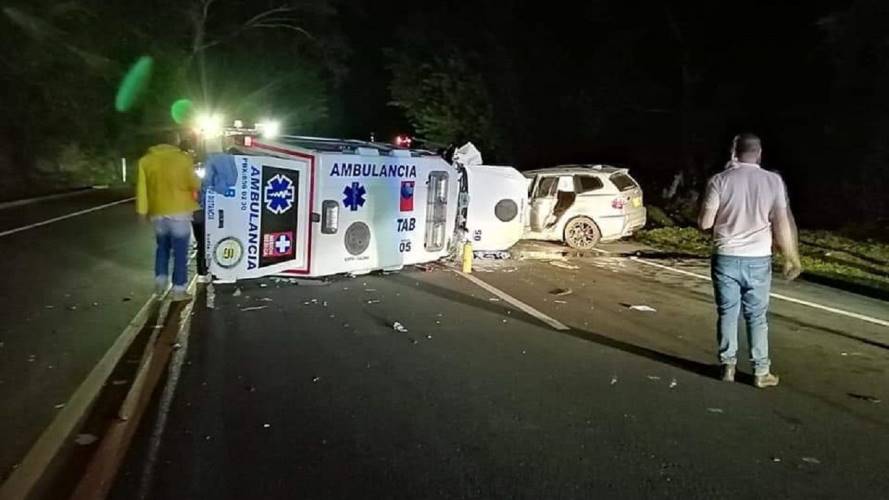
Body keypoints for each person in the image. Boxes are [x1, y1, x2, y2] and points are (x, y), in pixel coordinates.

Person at [698, 133, 802, 388]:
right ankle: (760, 371)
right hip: (758, 258)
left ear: (733, 152)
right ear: (759, 152)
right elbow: (782, 222)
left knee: (727, 312)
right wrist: (790, 257)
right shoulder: (772, 181)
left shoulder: (719, 180)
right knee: (756, 316)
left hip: (726, 256)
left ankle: (728, 365)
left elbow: (704, 223)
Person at [136, 131, 201, 301]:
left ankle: (160, 282)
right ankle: (178, 289)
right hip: (179, 211)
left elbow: (141, 189)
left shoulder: (145, 161)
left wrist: (142, 212)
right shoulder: (183, 159)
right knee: (180, 251)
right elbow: (194, 183)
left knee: (162, 247)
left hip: (157, 211)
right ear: (175, 142)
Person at [193, 153, 238, 281]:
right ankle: (215, 271)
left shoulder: (205, 166)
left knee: (202, 243)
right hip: (212, 212)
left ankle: (203, 272)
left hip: (200, 212)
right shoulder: (227, 166)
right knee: (215, 240)